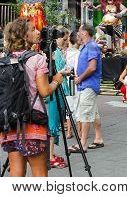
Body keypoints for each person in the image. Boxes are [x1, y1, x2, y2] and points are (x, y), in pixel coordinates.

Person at [0, 18, 63, 177]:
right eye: (33, 29)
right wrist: (56, 80)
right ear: (24, 35)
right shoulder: (37, 58)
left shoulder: (4, 58)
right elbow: (44, 91)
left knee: (16, 174)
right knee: (40, 175)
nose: (38, 32)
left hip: (10, 122)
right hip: (33, 121)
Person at [70, 23, 104, 152]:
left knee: (85, 114)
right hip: (88, 85)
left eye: (79, 31)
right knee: (93, 112)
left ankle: (82, 143)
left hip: (88, 85)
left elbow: (92, 67)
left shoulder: (91, 46)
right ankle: (98, 138)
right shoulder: (87, 46)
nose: (78, 33)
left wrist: (80, 78)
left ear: (85, 32)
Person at [47, 26, 70, 169]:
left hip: (61, 90)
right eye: (64, 39)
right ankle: (49, 156)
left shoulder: (59, 53)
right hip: (54, 90)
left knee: (56, 122)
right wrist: (63, 72)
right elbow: (51, 74)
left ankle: (51, 153)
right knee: (53, 124)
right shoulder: (52, 53)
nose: (67, 42)